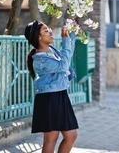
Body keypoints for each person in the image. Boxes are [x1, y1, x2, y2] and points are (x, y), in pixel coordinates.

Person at [24, 20, 78, 153]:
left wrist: (72, 34)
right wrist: (65, 40)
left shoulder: (51, 50)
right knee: (51, 138)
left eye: (49, 29)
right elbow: (63, 66)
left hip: (60, 95)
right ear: (39, 37)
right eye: (46, 31)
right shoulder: (40, 59)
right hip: (49, 98)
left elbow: (67, 55)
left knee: (71, 135)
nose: (50, 32)